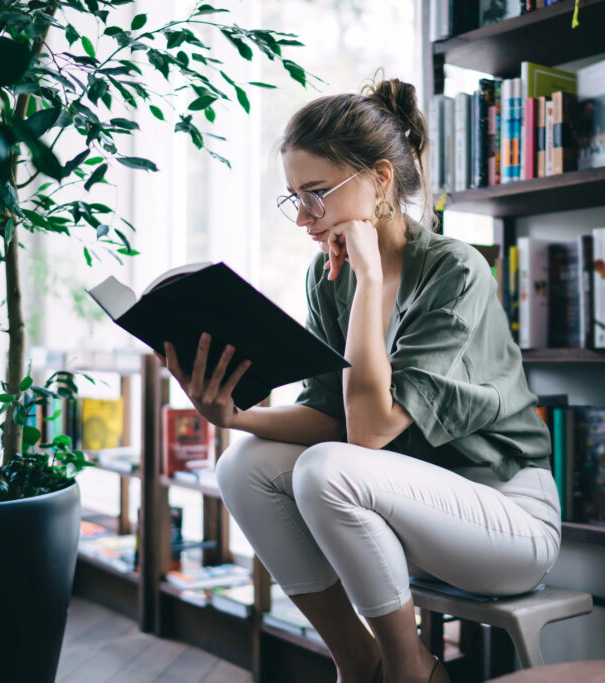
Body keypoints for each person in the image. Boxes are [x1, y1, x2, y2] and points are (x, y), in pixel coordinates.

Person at [157, 77, 560, 683]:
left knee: (327, 467)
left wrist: (371, 281)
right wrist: (232, 417)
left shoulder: (454, 271)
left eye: (316, 194)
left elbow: (365, 434)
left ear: (379, 180)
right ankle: (357, 658)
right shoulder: (326, 278)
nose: (304, 219)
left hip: (506, 519)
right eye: (294, 198)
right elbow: (329, 416)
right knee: (242, 464)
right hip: (406, 512)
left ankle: (409, 669)